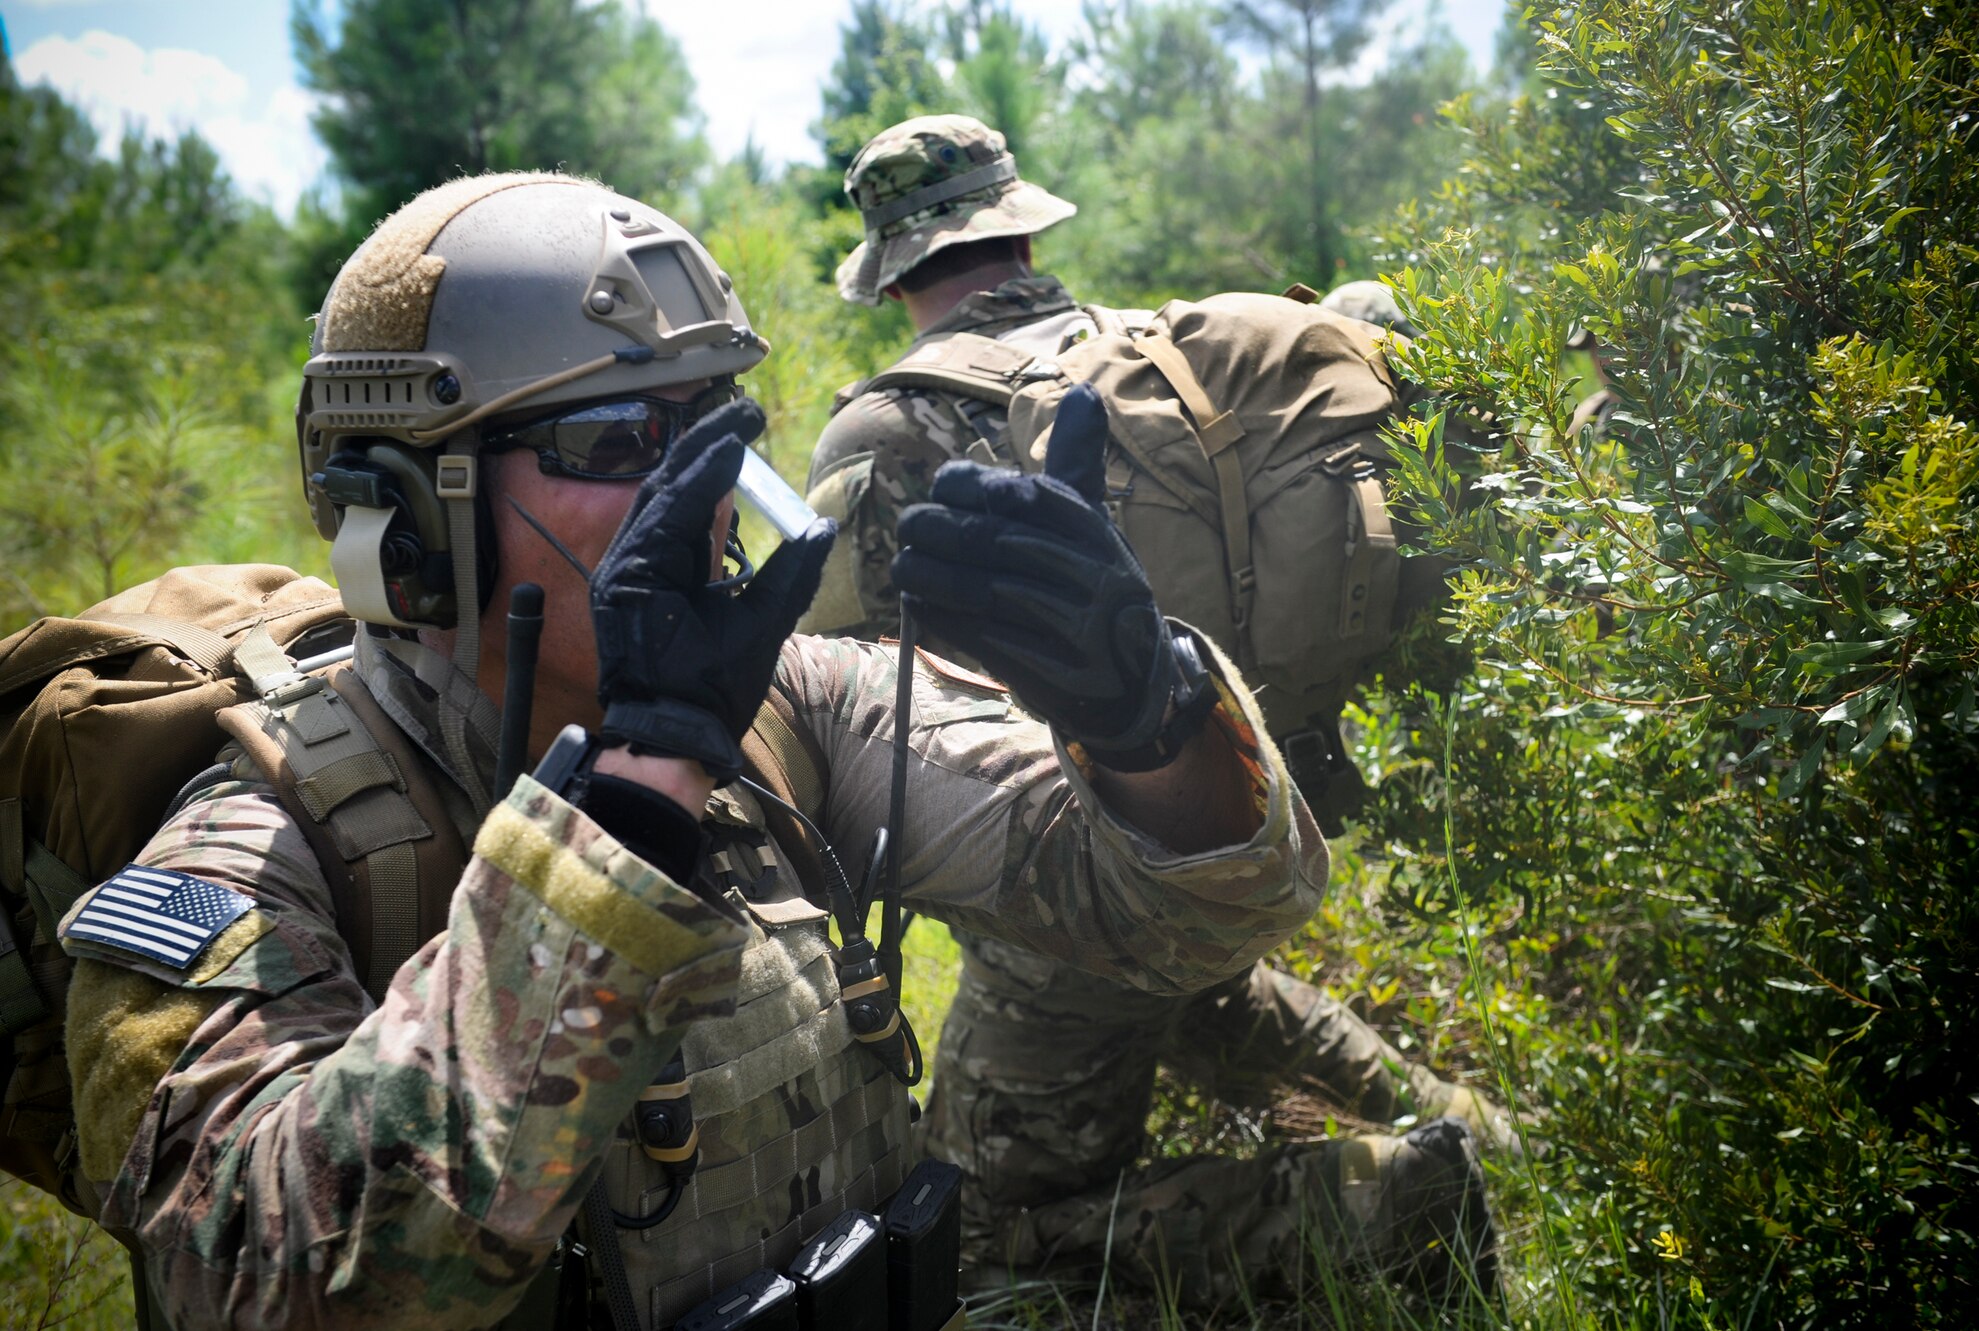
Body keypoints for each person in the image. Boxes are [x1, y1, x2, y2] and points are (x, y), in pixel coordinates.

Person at [53, 172, 1372, 1329]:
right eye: (617, 439)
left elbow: (1202, 915)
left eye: (710, 423)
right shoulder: (261, 844)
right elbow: (270, 1281)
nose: (701, 486)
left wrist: (1141, 711)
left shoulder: (795, 708)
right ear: (406, 513)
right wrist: (633, 802)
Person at [804, 115, 1509, 1304]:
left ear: (891, 272)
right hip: (1245, 807)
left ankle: (1397, 1200)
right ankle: (1475, 1123)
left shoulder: (884, 432)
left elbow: (834, 704)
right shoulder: (1124, 349)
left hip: (1073, 879)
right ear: (1020, 227)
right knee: (1192, 977)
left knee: (969, 1247)